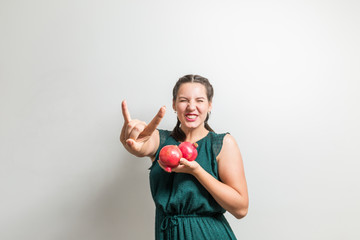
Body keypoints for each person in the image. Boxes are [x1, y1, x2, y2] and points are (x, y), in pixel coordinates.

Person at [120, 74, 248, 240]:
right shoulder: (161, 140)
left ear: (209, 105)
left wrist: (196, 171)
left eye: (199, 100)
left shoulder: (221, 144)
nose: (191, 107)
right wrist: (134, 140)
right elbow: (144, 145)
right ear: (174, 104)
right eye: (183, 100)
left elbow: (241, 209)